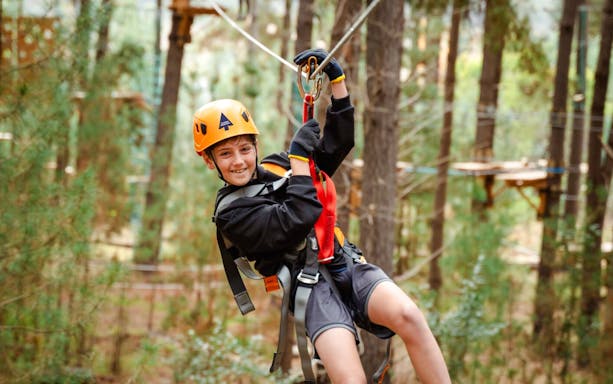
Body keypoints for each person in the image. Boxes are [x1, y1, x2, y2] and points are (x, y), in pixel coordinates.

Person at [192, 48, 451, 384]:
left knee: (410, 317)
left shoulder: (275, 166)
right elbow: (296, 217)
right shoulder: (232, 215)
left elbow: (335, 146)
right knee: (350, 380)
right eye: (225, 154)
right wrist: (298, 161)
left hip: (345, 263)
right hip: (310, 289)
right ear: (210, 161)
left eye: (244, 149)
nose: (238, 161)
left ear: (256, 146)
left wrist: (337, 83)